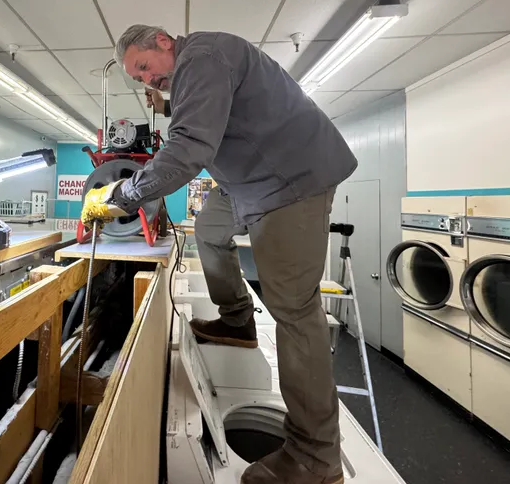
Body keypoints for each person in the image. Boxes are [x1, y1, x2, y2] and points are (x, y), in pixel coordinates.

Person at [81, 25, 357, 484]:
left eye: (145, 68)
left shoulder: (203, 58)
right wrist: (168, 104)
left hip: (290, 181)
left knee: (293, 308)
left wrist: (121, 196)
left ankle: (315, 456)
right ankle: (237, 320)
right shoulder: (194, 71)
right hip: (247, 181)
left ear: (165, 42)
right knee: (209, 227)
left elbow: (188, 149)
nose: (147, 80)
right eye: (139, 78)